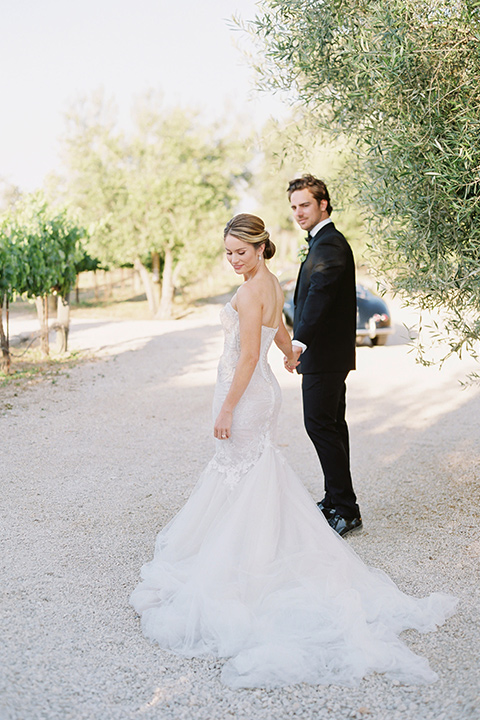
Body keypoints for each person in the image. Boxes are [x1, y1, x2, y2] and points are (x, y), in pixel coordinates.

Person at [130, 213, 456, 689]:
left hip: (244, 395)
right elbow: (279, 326)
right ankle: (260, 549)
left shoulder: (247, 292)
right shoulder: (269, 284)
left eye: (240, 252)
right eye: (227, 253)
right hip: (262, 391)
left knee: (240, 472)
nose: (233, 260)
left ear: (261, 248)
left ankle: (245, 565)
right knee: (253, 471)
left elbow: (244, 357)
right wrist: (288, 352)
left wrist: (225, 409)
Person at [286, 174, 361, 537]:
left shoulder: (329, 245)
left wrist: (298, 341)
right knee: (332, 426)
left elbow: (319, 295)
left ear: (323, 204)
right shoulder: (322, 242)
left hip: (324, 356)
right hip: (329, 356)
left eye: (304, 205)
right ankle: (338, 501)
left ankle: (345, 508)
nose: (298, 212)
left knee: (319, 425)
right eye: (294, 207)